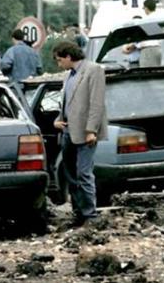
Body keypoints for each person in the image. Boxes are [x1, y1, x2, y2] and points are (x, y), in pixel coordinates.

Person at [52, 41, 107, 226]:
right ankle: (78, 212)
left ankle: (90, 215)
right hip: (68, 130)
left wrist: (91, 130)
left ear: (68, 56)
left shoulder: (93, 70)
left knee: (84, 173)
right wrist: (58, 120)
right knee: (71, 174)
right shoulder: (68, 75)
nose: (59, 64)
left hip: (85, 131)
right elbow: (66, 102)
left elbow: (97, 103)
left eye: (60, 60)